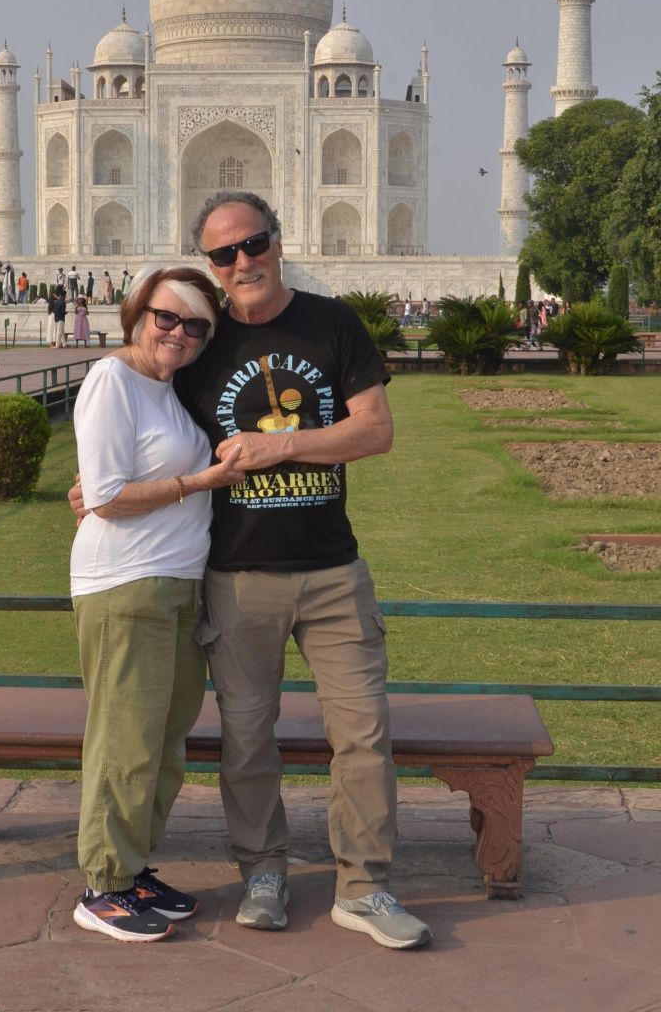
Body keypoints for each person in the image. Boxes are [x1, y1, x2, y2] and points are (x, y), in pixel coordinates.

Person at [175, 192, 431, 950]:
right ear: (210, 267)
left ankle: (364, 885)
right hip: (238, 574)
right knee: (247, 735)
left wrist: (279, 447)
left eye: (253, 244)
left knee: (362, 734)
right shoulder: (201, 342)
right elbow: (140, 411)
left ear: (277, 242)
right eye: (223, 254)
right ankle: (262, 869)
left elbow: (374, 431)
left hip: (331, 570)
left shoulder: (331, 322)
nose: (242, 262)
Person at [70, 266, 244, 943]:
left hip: (175, 583)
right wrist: (202, 480)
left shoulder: (164, 391)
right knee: (126, 740)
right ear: (138, 314)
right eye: (167, 317)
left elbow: (106, 480)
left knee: (164, 740)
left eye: (194, 325)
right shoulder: (113, 378)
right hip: (125, 585)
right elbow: (108, 496)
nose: (178, 333)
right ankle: (103, 885)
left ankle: (134, 867)